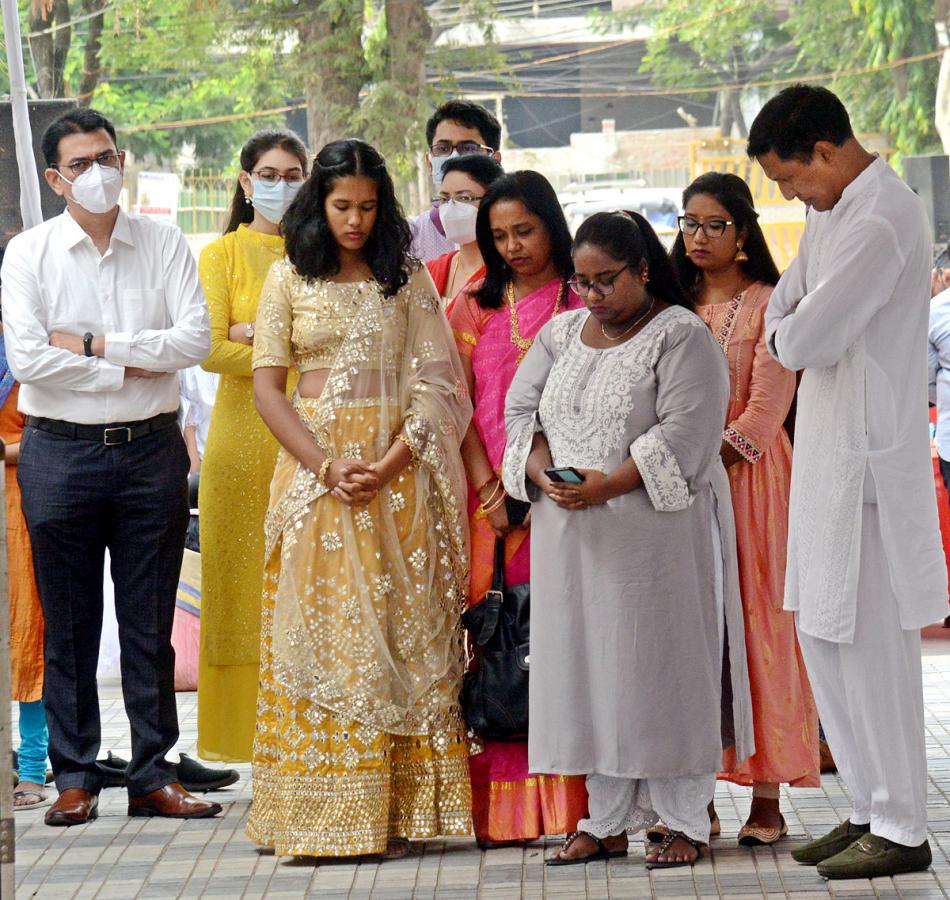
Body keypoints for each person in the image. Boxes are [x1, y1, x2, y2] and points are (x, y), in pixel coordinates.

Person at [501, 211, 754, 868]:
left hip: (654, 542)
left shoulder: (680, 336)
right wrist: (544, 474)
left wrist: (607, 484)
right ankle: (605, 820)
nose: (591, 295)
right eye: (582, 282)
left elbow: (687, 435)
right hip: (572, 538)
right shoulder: (559, 336)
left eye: (606, 280)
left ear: (642, 269)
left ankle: (681, 820)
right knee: (589, 673)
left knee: (658, 670)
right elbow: (520, 414)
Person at [246, 139, 474, 858]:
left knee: (394, 632)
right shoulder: (287, 276)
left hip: (394, 476)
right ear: (320, 202)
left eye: (369, 207)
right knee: (321, 630)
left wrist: (391, 459)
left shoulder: (403, 279)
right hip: (316, 479)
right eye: (343, 206)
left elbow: (439, 384)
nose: (356, 220)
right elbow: (266, 388)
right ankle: (313, 815)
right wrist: (324, 466)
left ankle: (390, 814)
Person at [0, 108, 219, 826]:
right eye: (82, 163)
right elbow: (30, 358)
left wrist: (94, 346)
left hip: (150, 450)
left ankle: (154, 773)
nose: (100, 172)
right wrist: (130, 364)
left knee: (148, 622)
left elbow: (192, 339)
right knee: (68, 622)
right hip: (58, 451)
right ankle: (75, 776)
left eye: (108, 156)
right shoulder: (28, 254)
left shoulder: (162, 243)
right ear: (55, 178)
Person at [751, 84, 947, 879]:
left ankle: (903, 824)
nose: (793, 195)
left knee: (871, 649)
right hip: (824, 456)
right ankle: (866, 805)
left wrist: (791, 328)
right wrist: (790, 326)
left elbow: (804, 336)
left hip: (867, 460)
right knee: (822, 636)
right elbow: (787, 308)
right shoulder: (834, 213)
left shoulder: (881, 214)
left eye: (793, 180)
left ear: (826, 151)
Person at [670, 172, 819, 845]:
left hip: (751, 484)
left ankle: (766, 797)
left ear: (742, 232)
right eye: (688, 222)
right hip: (673, 492)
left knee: (760, 629)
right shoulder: (665, 304)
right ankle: (690, 796)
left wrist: (695, 464)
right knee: (691, 637)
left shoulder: (769, 303)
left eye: (714, 225)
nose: (698, 236)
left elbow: (764, 413)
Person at [448, 171, 589, 847]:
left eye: (524, 231)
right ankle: (504, 814)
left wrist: (541, 485)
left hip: (568, 498)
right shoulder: (474, 307)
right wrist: (489, 490)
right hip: (491, 510)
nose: (512, 247)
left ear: (552, 225)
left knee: (564, 641)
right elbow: (458, 405)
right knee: (499, 639)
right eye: (499, 236)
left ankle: (575, 808)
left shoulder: (584, 299)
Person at [196, 129, 308, 762]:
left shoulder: (322, 256)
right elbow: (210, 348)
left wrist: (258, 337)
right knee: (240, 591)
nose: (281, 185)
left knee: (308, 585)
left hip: (312, 442)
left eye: (294, 174)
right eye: (269, 173)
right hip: (239, 449)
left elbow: (338, 344)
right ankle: (244, 741)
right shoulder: (221, 255)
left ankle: (304, 734)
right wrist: (291, 351)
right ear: (245, 182)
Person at [0, 245, 49, 811]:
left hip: (19, 499)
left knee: (25, 631)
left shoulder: (23, 347)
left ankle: (33, 768)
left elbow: (44, 432)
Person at [410, 100, 502, 261]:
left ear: (494, 160)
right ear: (429, 163)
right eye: (442, 149)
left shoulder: (513, 237)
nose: (453, 158)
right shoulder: (409, 239)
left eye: (468, 149)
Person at [426, 154, 504, 310]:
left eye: (464, 198)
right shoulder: (431, 271)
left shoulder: (510, 274)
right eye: (445, 198)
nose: (450, 207)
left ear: (493, 202)